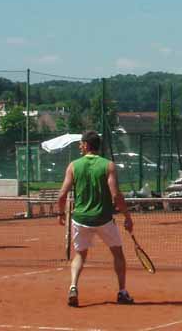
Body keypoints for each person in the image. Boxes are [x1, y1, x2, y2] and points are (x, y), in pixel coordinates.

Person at [57, 130, 134, 307]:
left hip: (80, 219)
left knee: (80, 255)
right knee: (118, 253)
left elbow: (62, 195)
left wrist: (61, 214)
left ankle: (73, 286)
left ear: (86, 145)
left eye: (81, 143)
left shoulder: (73, 166)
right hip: (103, 219)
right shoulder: (108, 166)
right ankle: (122, 292)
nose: (79, 146)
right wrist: (127, 217)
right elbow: (116, 195)